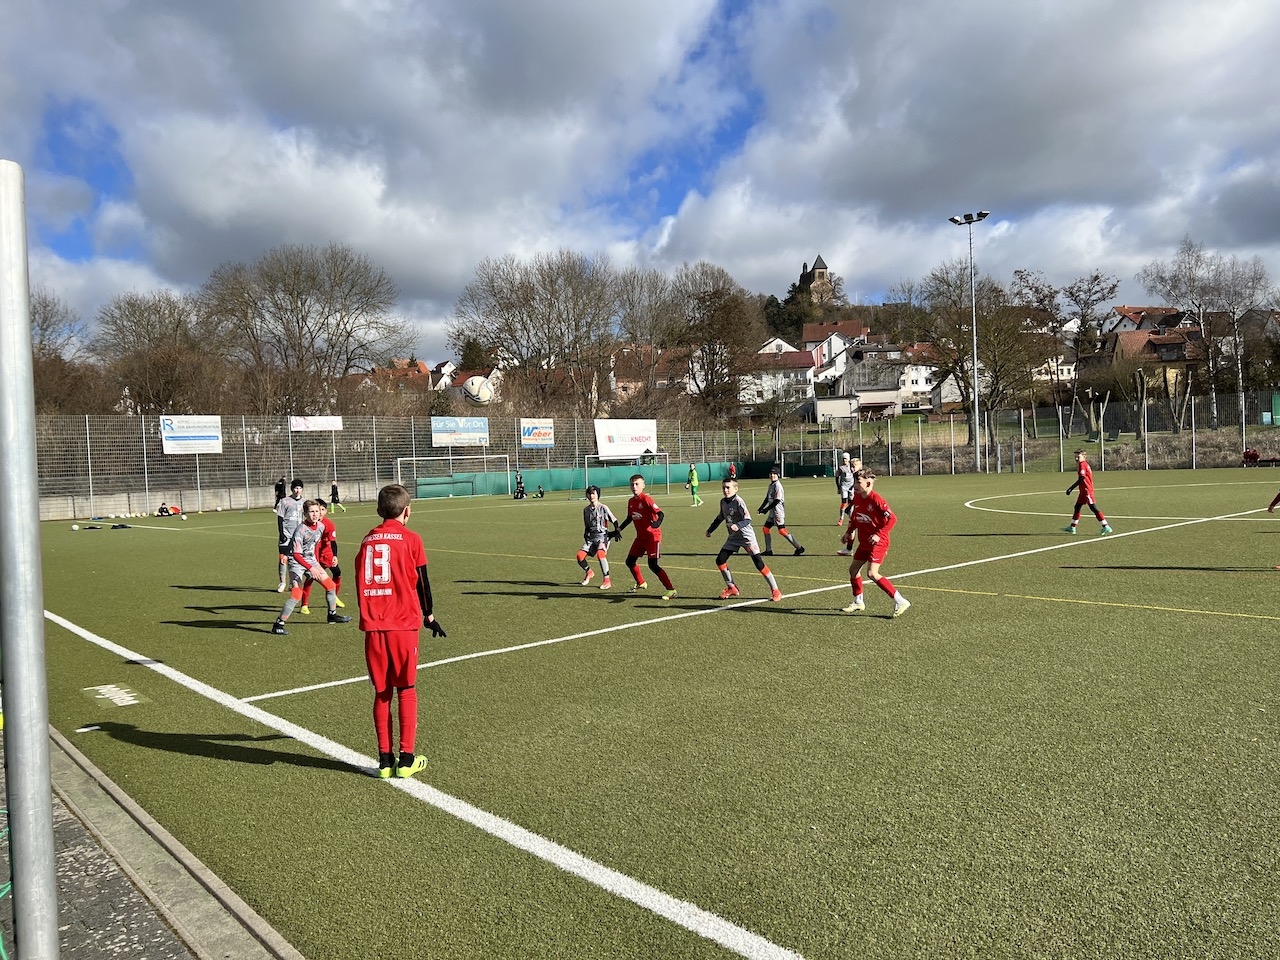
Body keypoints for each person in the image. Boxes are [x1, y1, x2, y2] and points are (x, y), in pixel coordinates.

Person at [355, 483, 446, 780]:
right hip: (403, 624)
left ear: (378, 511)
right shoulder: (411, 539)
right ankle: (406, 760)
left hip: (374, 626)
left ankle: (385, 762)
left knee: (382, 692)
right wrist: (429, 616)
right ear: (407, 511)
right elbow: (423, 582)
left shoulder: (366, 541)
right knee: (406, 689)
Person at [271, 499, 352, 635]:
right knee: (296, 594)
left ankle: (332, 615)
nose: (315, 514)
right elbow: (297, 554)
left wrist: (325, 559)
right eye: (311, 512)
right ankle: (278, 624)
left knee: (330, 586)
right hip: (296, 563)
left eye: (317, 511)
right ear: (305, 514)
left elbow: (317, 545)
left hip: (311, 561)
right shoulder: (301, 530)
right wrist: (310, 567)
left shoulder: (321, 526)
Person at [839, 469, 910, 617]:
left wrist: (878, 535)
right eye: (855, 482)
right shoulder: (857, 497)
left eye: (858, 482)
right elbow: (855, 517)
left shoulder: (876, 500)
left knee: (872, 573)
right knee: (853, 570)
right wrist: (848, 532)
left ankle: (900, 600)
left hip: (879, 542)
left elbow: (892, 519)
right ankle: (858, 601)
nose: (855, 485)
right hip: (864, 542)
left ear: (868, 483)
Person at [706, 477, 782, 602]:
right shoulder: (723, 502)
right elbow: (720, 517)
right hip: (733, 537)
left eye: (728, 487)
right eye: (724, 487)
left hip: (746, 537)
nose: (725, 490)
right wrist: (710, 529)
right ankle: (732, 587)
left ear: (736, 489)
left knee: (758, 563)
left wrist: (738, 525)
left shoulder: (739, 501)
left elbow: (747, 519)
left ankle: (775, 590)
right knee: (720, 560)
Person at [616, 474, 677, 599]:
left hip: (652, 537)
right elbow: (630, 518)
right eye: (632, 484)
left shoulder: (646, 499)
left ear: (643, 485)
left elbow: (661, 513)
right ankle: (641, 582)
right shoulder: (631, 501)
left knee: (653, 565)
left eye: (637, 484)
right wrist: (618, 530)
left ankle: (671, 590)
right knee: (630, 561)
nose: (634, 487)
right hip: (640, 538)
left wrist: (657, 523)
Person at [299, 501, 345, 615]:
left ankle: (334, 597)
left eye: (321, 510)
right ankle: (304, 604)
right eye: (316, 510)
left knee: (337, 573)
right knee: (310, 578)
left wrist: (335, 556)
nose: (318, 513)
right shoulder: (306, 526)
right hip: (313, 556)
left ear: (325, 511)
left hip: (326, 555)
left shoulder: (328, 524)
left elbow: (333, 541)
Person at [576, 485, 621, 589]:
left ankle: (607, 581)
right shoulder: (586, 510)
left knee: (600, 554)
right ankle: (589, 572)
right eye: (589, 493)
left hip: (602, 537)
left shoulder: (603, 508)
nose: (591, 496)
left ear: (597, 495)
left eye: (593, 493)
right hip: (592, 537)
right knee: (579, 556)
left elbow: (614, 520)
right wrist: (585, 533)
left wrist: (617, 532)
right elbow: (587, 525)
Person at [758, 465, 805, 557]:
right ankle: (768, 550)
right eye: (771, 473)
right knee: (765, 528)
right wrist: (761, 508)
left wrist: (766, 509)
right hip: (772, 513)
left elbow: (777, 500)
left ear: (778, 475)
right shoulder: (771, 485)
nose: (772, 475)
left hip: (778, 512)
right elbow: (767, 498)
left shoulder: (778, 486)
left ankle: (799, 548)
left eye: (774, 474)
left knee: (782, 530)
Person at [1063, 450, 1112, 535]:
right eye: (1075, 457)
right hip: (1083, 491)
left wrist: (1071, 488)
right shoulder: (1083, 464)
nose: (1076, 458)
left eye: (1078, 456)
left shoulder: (1082, 465)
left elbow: (1081, 479)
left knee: (1093, 507)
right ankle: (1072, 527)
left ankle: (1106, 526)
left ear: (1084, 457)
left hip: (1086, 490)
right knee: (1077, 506)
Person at [274, 479, 306, 592]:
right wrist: (281, 533)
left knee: (296, 559)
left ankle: (294, 582)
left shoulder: (304, 502)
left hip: (298, 536)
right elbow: (280, 518)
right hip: (286, 534)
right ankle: (282, 582)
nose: (298, 490)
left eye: (300, 488)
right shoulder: (285, 501)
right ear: (292, 489)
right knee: (283, 558)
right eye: (296, 488)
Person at [834, 452, 856, 526]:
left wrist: (854, 485)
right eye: (843, 459)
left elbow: (855, 476)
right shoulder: (841, 468)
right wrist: (838, 487)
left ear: (848, 459)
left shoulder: (852, 467)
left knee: (851, 503)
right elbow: (837, 477)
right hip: (844, 487)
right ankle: (841, 518)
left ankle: (851, 518)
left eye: (846, 459)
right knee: (844, 502)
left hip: (851, 487)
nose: (844, 460)